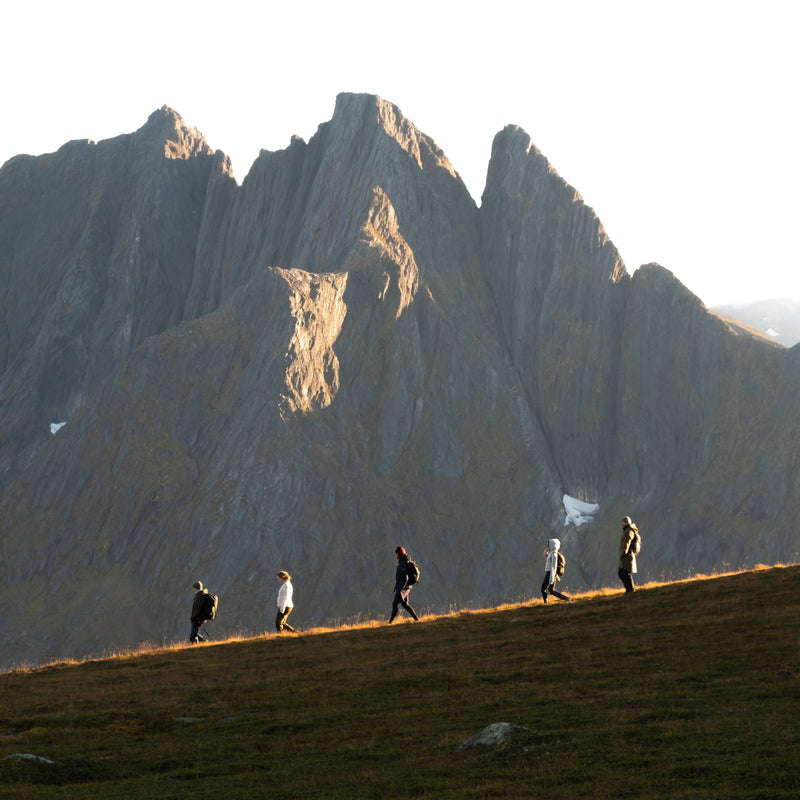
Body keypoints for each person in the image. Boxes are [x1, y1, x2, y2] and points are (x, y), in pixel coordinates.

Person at [388, 546, 419, 623]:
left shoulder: (403, 564)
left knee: (395, 603)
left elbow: (405, 578)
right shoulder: (406, 562)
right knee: (405, 604)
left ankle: (390, 622)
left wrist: (400, 589)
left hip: (403, 588)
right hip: (407, 587)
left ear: (399, 554)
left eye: (397, 554)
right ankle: (416, 619)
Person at [541, 538, 570, 603]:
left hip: (550, 573)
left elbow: (554, 567)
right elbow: (545, 555)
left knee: (543, 589)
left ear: (552, 545)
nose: (547, 546)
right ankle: (566, 598)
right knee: (551, 590)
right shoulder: (551, 553)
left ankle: (546, 603)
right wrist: (546, 550)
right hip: (550, 573)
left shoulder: (554, 555)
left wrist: (551, 578)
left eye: (548, 545)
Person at [618, 515, 640, 593]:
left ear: (627, 523)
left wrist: (623, 553)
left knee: (625, 573)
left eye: (623, 522)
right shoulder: (628, 531)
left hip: (627, 556)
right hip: (627, 556)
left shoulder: (629, 532)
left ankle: (630, 590)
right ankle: (629, 589)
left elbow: (626, 543)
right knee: (622, 573)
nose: (622, 524)